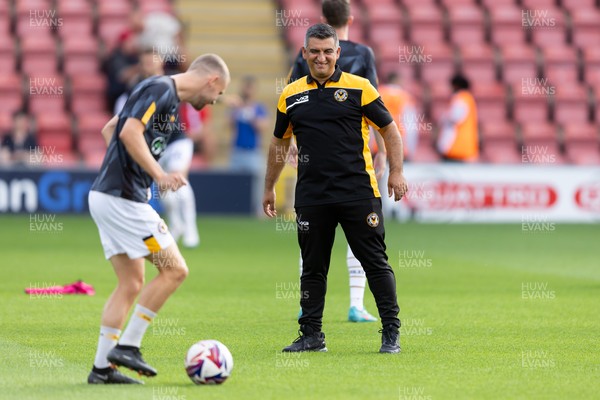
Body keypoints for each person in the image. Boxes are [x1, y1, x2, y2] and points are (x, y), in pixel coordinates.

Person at [263, 24, 407, 353]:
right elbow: (278, 144)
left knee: (374, 262)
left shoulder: (361, 88)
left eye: (328, 51)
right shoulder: (291, 94)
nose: (321, 57)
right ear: (304, 54)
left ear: (338, 53)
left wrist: (396, 172)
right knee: (313, 267)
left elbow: (390, 130)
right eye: (314, 51)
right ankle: (311, 335)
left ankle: (390, 332)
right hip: (312, 197)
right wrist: (269, 186)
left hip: (358, 192)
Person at [87, 54, 230, 384]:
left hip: (111, 195)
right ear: (211, 81)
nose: (214, 100)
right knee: (175, 269)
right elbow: (128, 133)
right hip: (123, 200)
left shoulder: (164, 97)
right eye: (218, 93)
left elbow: (111, 128)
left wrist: (125, 170)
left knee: (131, 283)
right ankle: (129, 346)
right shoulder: (161, 90)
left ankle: (102, 369)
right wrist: (157, 174)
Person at [287, 0, 383, 323]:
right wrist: (380, 150)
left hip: (314, 157)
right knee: (361, 236)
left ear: (324, 20)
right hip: (356, 156)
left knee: (311, 240)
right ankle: (356, 304)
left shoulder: (309, 52)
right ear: (351, 19)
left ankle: (307, 305)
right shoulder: (365, 55)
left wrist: (291, 144)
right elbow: (378, 105)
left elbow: (292, 99)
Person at [227, 75, 269, 214]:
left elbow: (263, 127)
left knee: (258, 184)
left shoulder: (259, 108)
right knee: (234, 183)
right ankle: (235, 209)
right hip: (237, 150)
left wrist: (251, 116)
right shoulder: (236, 106)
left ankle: (259, 211)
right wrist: (238, 111)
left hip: (253, 151)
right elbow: (229, 125)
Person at [437, 73, 479, 162]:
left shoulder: (460, 98)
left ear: (455, 85)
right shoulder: (469, 98)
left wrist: (444, 117)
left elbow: (454, 117)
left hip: (456, 148)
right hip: (465, 148)